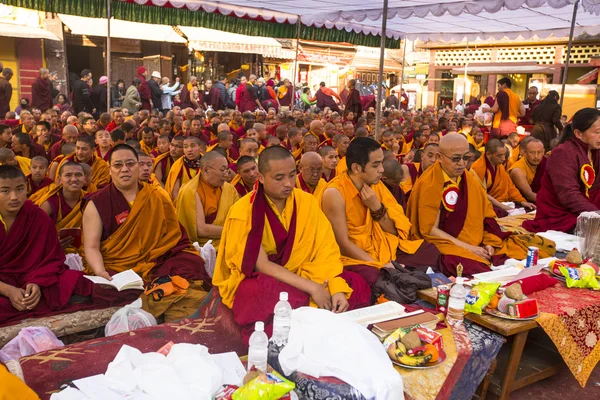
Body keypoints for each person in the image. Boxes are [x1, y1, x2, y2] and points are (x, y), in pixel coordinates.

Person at [212, 146, 370, 342]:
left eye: (292, 175)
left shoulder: (307, 202)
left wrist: (337, 287)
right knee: (255, 294)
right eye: (279, 178)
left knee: (358, 283)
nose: (288, 183)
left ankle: (312, 320)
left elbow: (326, 250)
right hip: (270, 278)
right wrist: (313, 288)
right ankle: (315, 322)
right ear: (261, 177)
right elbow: (261, 265)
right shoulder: (242, 211)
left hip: (307, 272)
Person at [82, 145, 211, 321]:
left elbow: (174, 237)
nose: (125, 169)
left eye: (130, 163)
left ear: (138, 166)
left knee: (190, 264)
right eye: (118, 165)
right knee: (108, 291)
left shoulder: (155, 196)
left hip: (158, 260)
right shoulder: (97, 202)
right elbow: (91, 246)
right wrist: (100, 271)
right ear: (109, 170)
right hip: (121, 266)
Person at [407, 134, 548, 276]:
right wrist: (469, 248)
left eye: (466, 158)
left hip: (475, 241)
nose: (462, 164)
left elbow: (486, 215)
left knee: (527, 250)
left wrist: (488, 241)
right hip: (444, 243)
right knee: (472, 268)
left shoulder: (468, 178)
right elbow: (430, 230)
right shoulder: (429, 183)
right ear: (439, 157)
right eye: (456, 159)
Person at [321, 137, 441, 284]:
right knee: (374, 276)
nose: (382, 170)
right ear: (357, 168)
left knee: (430, 251)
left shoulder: (375, 184)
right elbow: (343, 244)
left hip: (384, 247)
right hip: (357, 257)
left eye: (381, 164)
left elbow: (395, 231)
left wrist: (376, 208)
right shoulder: (335, 193)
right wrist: (381, 266)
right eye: (376, 165)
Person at [524, 108, 600, 233]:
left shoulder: (595, 151)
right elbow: (568, 194)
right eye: (597, 132)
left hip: (589, 208)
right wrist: (596, 214)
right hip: (562, 214)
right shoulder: (563, 153)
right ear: (578, 134)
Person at [175, 151, 239, 247]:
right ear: (205, 170)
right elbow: (201, 230)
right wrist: (236, 230)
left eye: (227, 170)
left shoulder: (229, 189)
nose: (226, 175)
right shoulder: (190, 191)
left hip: (229, 240)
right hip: (202, 247)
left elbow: (238, 219)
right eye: (222, 170)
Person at [470, 139, 535, 216]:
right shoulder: (478, 168)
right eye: (499, 156)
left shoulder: (499, 166)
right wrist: (504, 207)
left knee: (528, 210)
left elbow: (510, 186)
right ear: (488, 154)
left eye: (504, 155)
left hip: (504, 202)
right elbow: (482, 194)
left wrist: (522, 201)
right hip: (489, 205)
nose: (503, 159)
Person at [36, 162, 86, 251]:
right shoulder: (49, 203)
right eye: (68, 175)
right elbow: (36, 233)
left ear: (84, 179)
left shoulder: (89, 200)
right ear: (59, 180)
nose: (74, 179)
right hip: (52, 250)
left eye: (78, 175)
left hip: (84, 249)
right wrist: (52, 244)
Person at [508, 138, 546, 203]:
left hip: (545, 199)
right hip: (528, 203)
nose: (536, 156)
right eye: (532, 152)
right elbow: (529, 195)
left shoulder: (546, 163)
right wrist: (550, 203)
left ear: (543, 151)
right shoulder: (518, 170)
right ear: (525, 153)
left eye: (539, 152)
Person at [165, 135, 203, 199]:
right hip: (183, 201)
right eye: (185, 147)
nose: (189, 150)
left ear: (200, 147)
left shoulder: (207, 163)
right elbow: (175, 192)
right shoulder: (178, 165)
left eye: (193, 146)